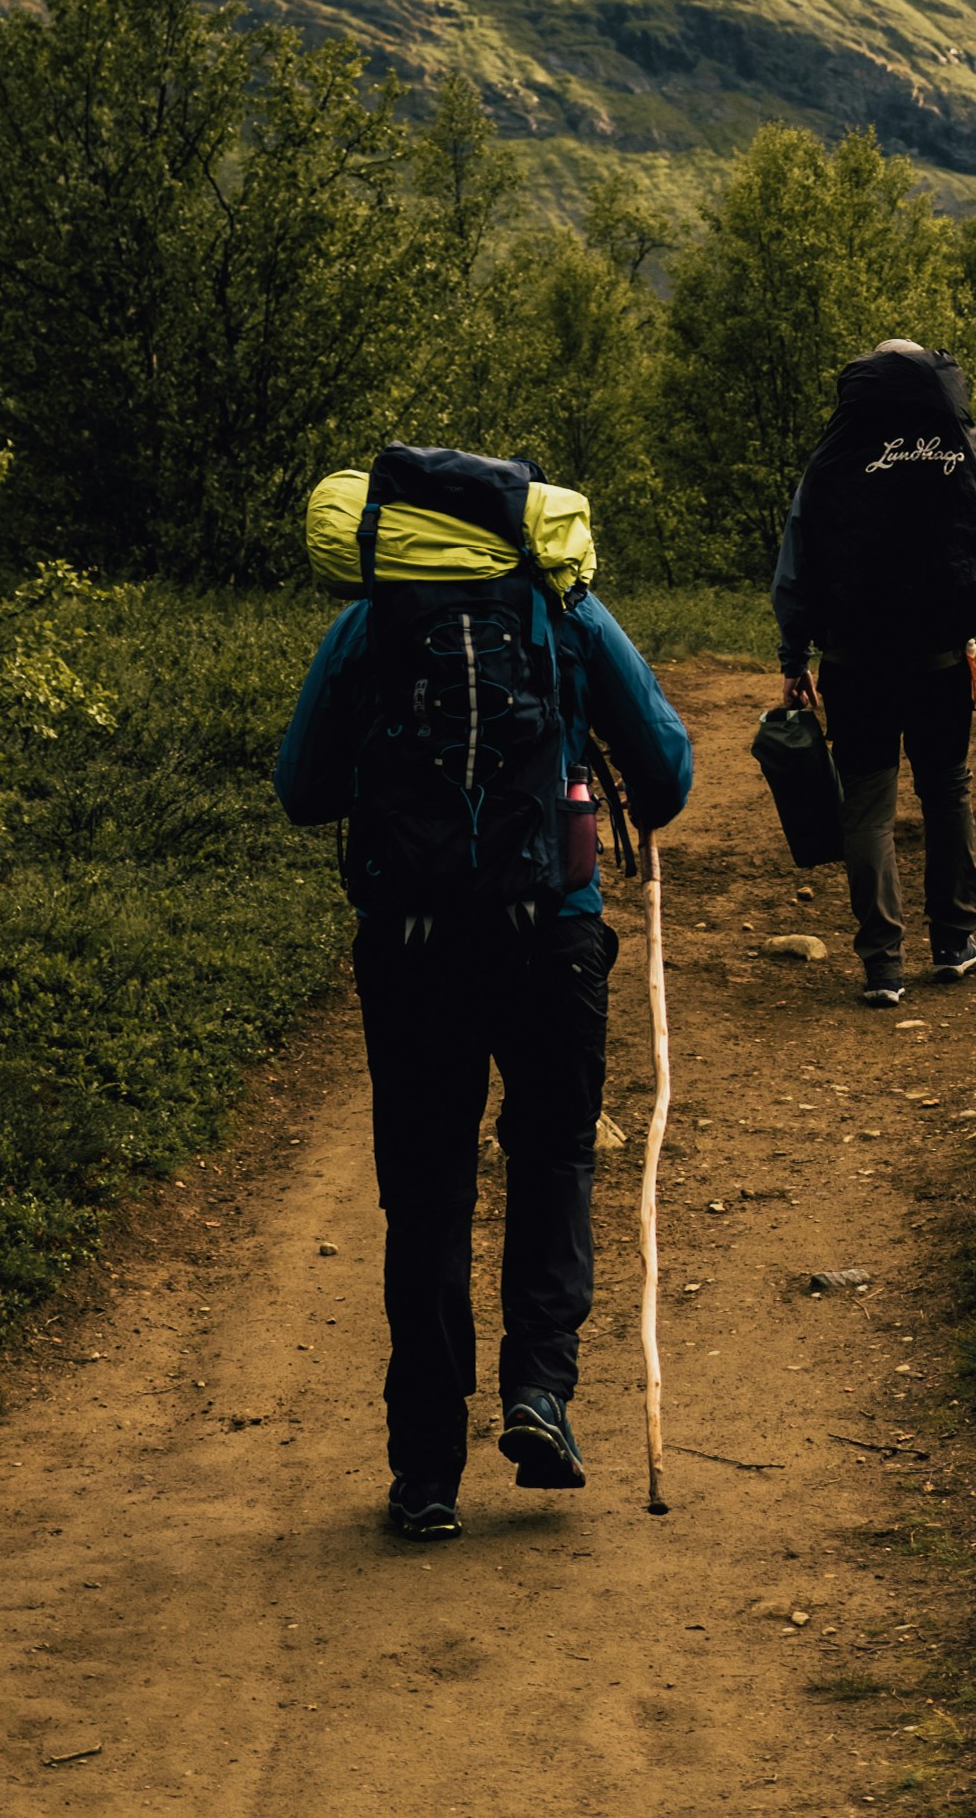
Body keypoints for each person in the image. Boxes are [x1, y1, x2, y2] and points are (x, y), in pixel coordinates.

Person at [275, 494, 693, 1544]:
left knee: (425, 1198)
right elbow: (669, 770)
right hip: (549, 938)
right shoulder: (562, 605)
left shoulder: (370, 621)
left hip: (412, 948)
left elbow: (301, 786)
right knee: (553, 1157)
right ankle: (540, 1393)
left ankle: (425, 1467)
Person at [770, 335, 976, 1007]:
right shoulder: (959, 455)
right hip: (939, 659)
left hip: (852, 663)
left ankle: (882, 967)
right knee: (945, 791)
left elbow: (795, 565)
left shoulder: (831, 460)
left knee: (867, 805)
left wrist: (793, 657)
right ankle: (952, 942)